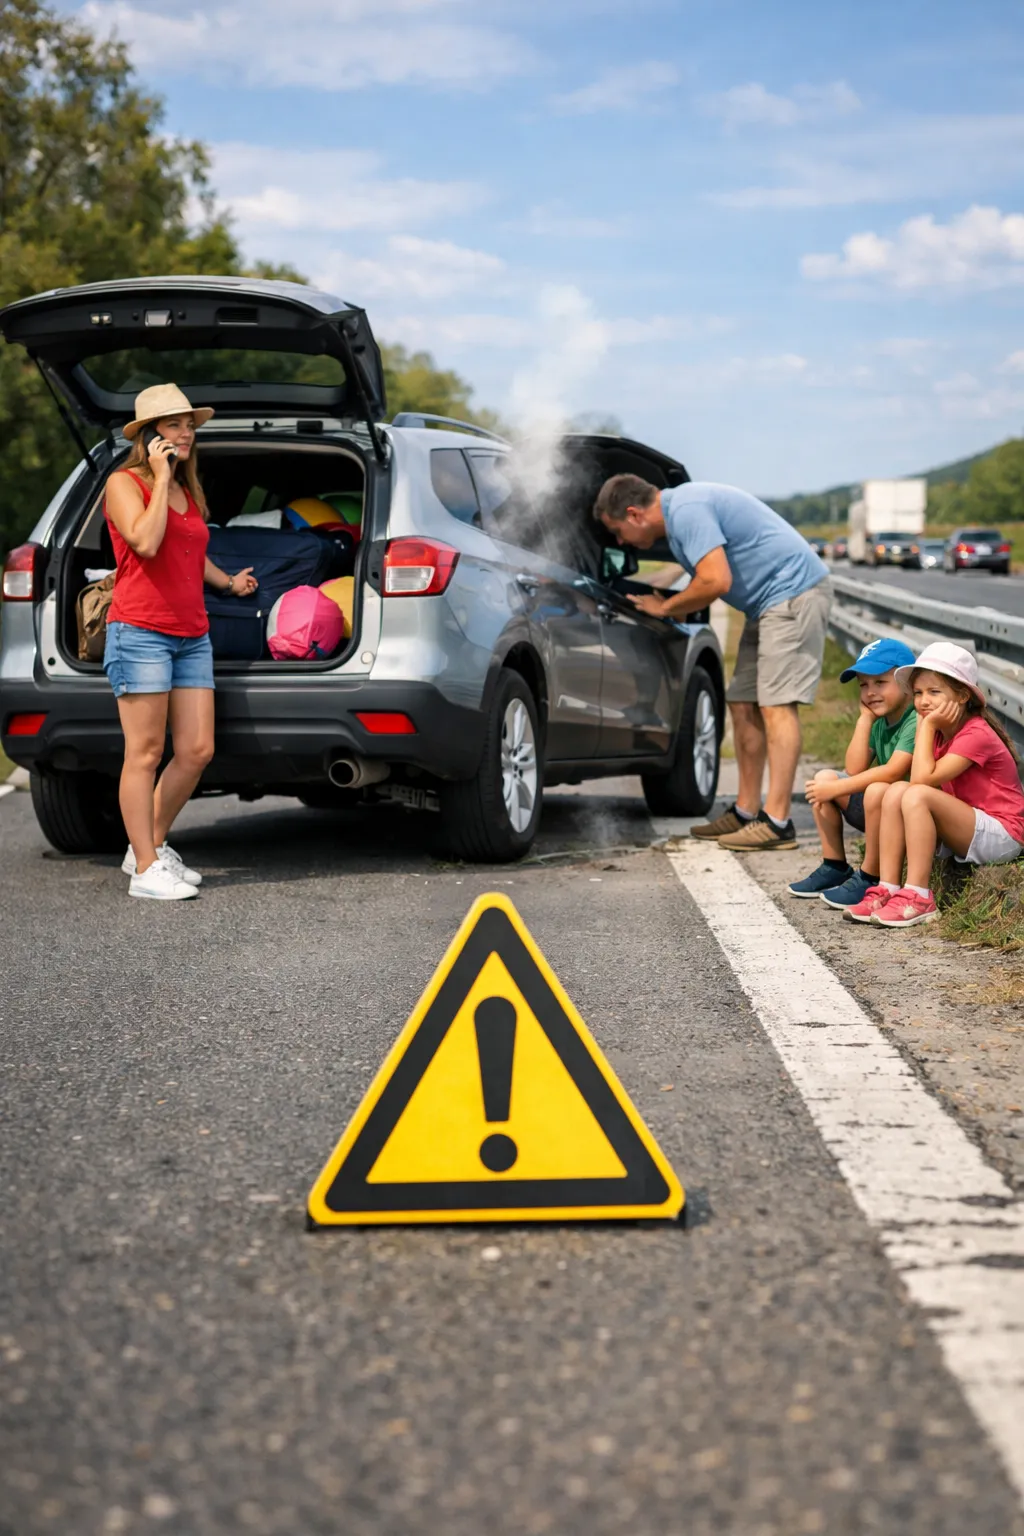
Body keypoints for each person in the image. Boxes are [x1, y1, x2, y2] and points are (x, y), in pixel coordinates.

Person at [593, 475, 831, 850]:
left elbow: (716, 581)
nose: (620, 542)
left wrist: (666, 608)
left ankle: (777, 822)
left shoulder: (686, 510)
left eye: (618, 531)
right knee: (742, 702)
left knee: (776, 706)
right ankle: (746, 812)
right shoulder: (679, 517)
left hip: (792, 594)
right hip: (765, 605)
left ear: (635, 514)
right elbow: (701, 580)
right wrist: (668, 601)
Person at [103, 384, 258, 901]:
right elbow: (146, 542)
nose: (186, 433)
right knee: (145, 753)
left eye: (190, 425)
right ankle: (146, 871)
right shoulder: (124, 483)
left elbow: (188, 550)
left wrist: (228, 582)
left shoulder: (187, 491)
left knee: (196, 750)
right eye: (175, 425)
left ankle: (147, 846)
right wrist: (162, 475)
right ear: (150, 436)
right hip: (140, 632)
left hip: (192, 635)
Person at [845, 642, 1024, 928]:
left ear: (962, 696)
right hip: (968, 826)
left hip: (1003, 835)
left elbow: (920, 782)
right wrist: (928, 728)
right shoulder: (940, 732)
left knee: (915, 793)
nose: (923, 701)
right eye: (918, 693)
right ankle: (887, 888)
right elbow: (917, 780)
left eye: (934, 692)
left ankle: (918, 896)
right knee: (895, 790)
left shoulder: (975, 733)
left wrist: (925, 726)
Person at [788, 638, 918, 908]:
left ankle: (870, 876)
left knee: (871, 789)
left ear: (907, 683)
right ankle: (835, 865)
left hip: (908, 816)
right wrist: (865, 719)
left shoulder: (915, 719)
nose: (870, 692)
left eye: (880, 682)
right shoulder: (880, 721)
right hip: (880, 812)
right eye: (863, 685)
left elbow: (894, 770)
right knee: (824, 778)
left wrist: (836, 789)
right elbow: (854, 769)